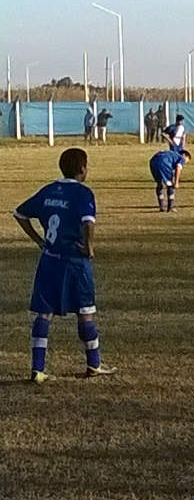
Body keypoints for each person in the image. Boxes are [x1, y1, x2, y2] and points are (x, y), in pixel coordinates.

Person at [12, 148, 116, 382]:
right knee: (85, 312)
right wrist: (89, 248)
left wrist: (39, 240)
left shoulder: (49, 190)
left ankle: (38, 369)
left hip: (49, 260)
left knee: (44, 313)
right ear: (82, 169)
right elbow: (88, 223)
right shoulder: (83, 193)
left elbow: (19, 214)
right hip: (74, 262)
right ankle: (94, 364)